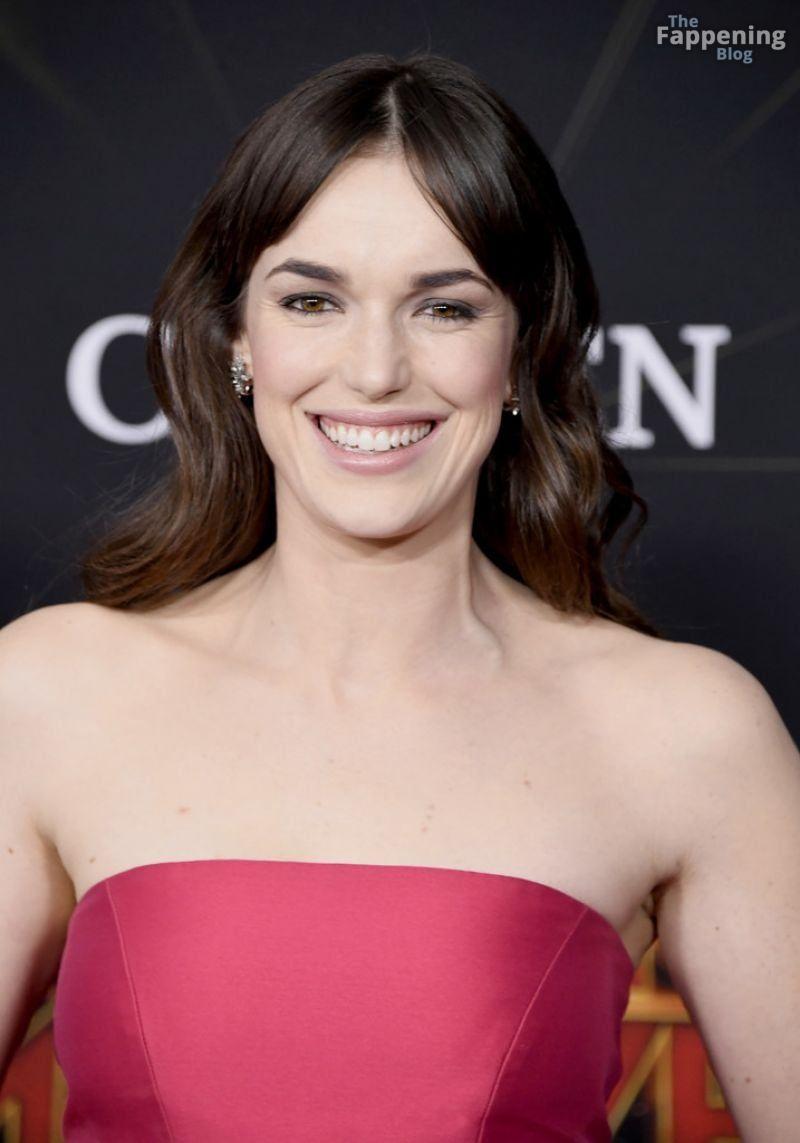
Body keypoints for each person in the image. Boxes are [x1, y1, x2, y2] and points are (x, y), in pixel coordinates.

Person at [1, 50, 798, 1143]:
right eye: (311, 300)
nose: (374, 370)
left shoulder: (686, 732)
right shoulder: (45, 695)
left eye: (445, 309)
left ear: (523, 349)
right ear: (237, 338)